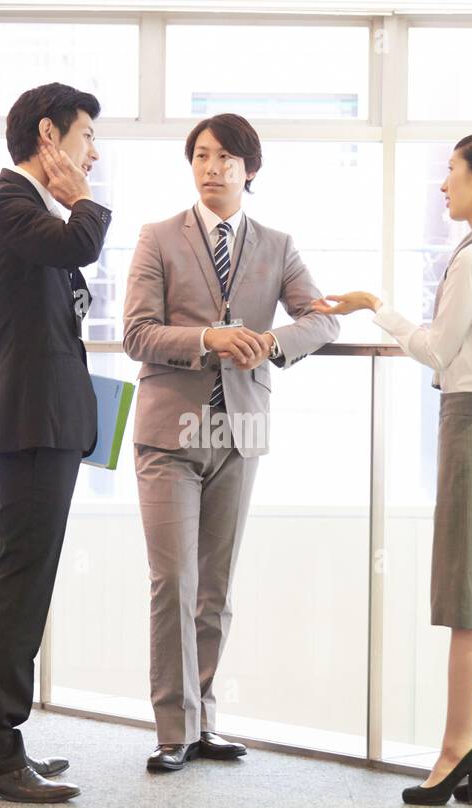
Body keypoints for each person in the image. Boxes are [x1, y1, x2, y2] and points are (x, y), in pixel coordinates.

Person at [313, 129, 472, 806]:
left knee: (470, 603)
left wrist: (374, 307)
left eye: (449, 172)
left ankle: (454, 752)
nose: (442, 184)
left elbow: (437, 349)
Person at [122, 113, 340, 771]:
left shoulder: (277, 244)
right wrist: (206, 339)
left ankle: (203, 718)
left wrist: (271, 343)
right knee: (175, 579)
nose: (212, 168)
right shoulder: (157, 237)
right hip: (169, 434)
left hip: (238, 432)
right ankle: (172, 728)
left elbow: (321, 318)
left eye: (225, 158)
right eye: (202, 156)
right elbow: (135, 333)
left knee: (214, 587)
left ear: (250, 169)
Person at [0, 83, 112, 803]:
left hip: (47, 421)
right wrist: (83, 194)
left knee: (21, 585)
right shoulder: (8, 201)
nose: (93, 154)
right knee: (20, 586)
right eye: (85, 138)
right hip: (28, 423)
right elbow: (82, 239)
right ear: (49, 137)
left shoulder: (26, 208)